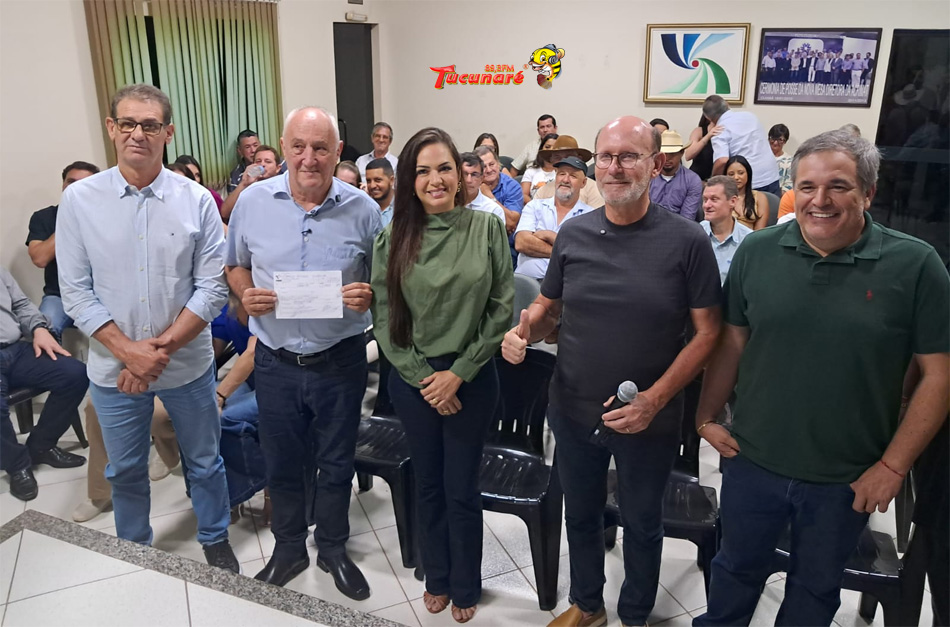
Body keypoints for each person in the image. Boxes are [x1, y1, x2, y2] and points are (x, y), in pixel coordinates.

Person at [692, 130, 949, 627]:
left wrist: (893, 467)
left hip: (845, 478)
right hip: (753, 462)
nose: (820, 200)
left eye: (838, 186)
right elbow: (733, 342)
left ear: (868, 192)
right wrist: (705, 417)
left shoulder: (916, 265)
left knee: (814, 591)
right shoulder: (758, 252)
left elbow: (939, 377)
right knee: (734, 571)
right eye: (807, 186)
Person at [502, 116, 722, 627]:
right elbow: (549, 311)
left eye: (629, 157)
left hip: (649, 417)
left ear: (655, 163)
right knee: (580, 514)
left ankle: (635, 614)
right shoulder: (574, 234)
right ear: (594, 165)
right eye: (606, 157)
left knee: (642, 523)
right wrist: (525, 330)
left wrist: (655, 400)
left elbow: (709, 334)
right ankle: (588, 606)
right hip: (572, 407)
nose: (615, 167)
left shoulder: (686, 240)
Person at [57, 83, 238, 573]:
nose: (138, 133)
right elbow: (75, 291)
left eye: (151, 125)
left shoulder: (197, 200)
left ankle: (215, 537)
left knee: (204, 461)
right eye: (128, 123)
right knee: (125, 469)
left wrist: (156, 351)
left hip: (188, 366)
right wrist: (128, 352)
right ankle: (135, 550)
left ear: (168, 132)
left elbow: (211, 288)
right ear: (112, 128)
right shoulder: (80, 200)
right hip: (113, 371)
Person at [226, 106, 380, 597]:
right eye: (298, 146)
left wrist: (370, 294)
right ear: (283, 147)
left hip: (340, 359)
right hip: (276, 362)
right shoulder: (253, 203)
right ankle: (289, 548)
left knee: (336, 462)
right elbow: (235, 265)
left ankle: (332, 548)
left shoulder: (364, 210)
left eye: (320, 148)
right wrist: (245, 293)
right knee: (283, 462)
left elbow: (384, 281)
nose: (308, 158)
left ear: (338, 152)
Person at [370, 127, 514, 624]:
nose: (435, 179)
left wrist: (459, 373)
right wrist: (424, 378)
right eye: (423, 171)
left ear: (461, 173)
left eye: (444, 168)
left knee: (462, 486)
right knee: (428, 482)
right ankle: (437, 576)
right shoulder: (393, 236)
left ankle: (466, 583)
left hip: (472, 375)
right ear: (409, 180)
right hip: (414, 380)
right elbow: (385, 317)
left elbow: (501, 307)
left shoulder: (487, 228)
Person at [1, 268, 88, 502]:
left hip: (14, 349)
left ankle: (41, 446)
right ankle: (17, 465)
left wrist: (38, 328)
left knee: (75, 374)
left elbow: (20, 304)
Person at [25, 161, 100, 340]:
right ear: (63, 185)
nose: (75, 188)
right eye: (71, 182)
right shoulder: (44, 217)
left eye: (84, 183)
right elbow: (40, 258)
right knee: (43, 333)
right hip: (59, 296)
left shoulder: (108, 215)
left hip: (102, 295)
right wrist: (69, 218)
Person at [73, 398, 180, 522]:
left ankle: (166, 449)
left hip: (169, 389)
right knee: (95, 406)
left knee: (158, 416)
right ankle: (100, 492)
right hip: (121, 387)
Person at [514, 156, 594, 280]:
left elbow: (585, 254)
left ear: (583, 183)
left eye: (573, 176)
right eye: (561, 174)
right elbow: (521, 243)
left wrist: (549, 236)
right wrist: (566, 252)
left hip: (567, 286)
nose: (565, 180)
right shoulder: (534, 206)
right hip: (526, 283)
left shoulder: (590, 216)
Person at [704, 95, 780, 194]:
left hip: (751, 183)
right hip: (771, 175)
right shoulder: (750, 116)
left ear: (708, 118)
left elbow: (722, 161)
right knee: (774, 204)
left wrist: (713, 180)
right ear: (727, 104)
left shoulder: (719, 131)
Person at [699, 176, 752, 285]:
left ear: (732, 201)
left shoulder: (749, 240)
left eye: (714, 199)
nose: (706, 205)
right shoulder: (694, 235)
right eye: (705, 200)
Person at [475, 146, 524, 265]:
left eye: (492, 164)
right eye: (483, 167)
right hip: (476, 242)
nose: (488, 170)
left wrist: (489, 196)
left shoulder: (512, 187)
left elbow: (511, 222)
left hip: (505, 245)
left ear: (498, 164)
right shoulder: (471, 185)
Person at [533, 135, 604, 207]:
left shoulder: (593, 189)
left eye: (568, 157)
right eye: (557, 157)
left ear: (579, 159)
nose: (564, 161)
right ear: (552, 161)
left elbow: (597, 213)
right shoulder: (543, 192)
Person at [649, 129, 703, 220]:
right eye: (664, 154)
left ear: (681, 153)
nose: (667, 158)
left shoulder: (692, 180)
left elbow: (687, 218)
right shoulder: (647, 176)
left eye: (672, 154)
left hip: (679, 226)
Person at [221, 145, 281, 222]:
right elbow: (224, 213)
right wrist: (244, 183)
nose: (262, 164)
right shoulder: (248, 187)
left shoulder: (283, 186)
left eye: (268, 161)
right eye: (258, 161)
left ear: (278, 168)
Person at [459, 152, 506, 224]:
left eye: (474, 175)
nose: (469, 180)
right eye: (464, 174)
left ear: (481, 179)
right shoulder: (447, 204)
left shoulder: (494, 211)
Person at [725, 156, 769, 230]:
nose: (736, 177)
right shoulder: (721, 197)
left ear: (748, 174)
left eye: (741, 173)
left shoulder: (760, 197)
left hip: (752, 236)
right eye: (731, 174)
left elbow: (759, 232)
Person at [520, 133, 559, 204]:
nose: (550, 150)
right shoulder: (531, 171)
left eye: (555, 148)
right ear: (541, 149)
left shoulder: (562, 172)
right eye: (547, 147)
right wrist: (537, 206)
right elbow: (523, 195)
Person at [685, 114, 720, 181]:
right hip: (697, 178)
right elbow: (688, 156)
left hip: (718, 179)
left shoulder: (728, 132)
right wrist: (708, 136)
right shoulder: (699, 131)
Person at [365, 157, 395, 227]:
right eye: (368, 181)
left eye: (378, 180)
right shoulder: (364, 208)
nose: (372, 185)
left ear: (391, 180)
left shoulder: (404, 207)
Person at [228, 129, 260, 194]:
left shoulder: (274, 163)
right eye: (247, 147)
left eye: (255, 145)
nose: (253, 150)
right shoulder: (236, 175)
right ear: (240, 150)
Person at [768, 124, 793, 193]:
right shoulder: (760, 157)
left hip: (779, 196)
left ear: (785, 141)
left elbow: (789, 186)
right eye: (773, 138)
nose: (775, 143)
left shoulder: (789, 161)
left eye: (780, 140)